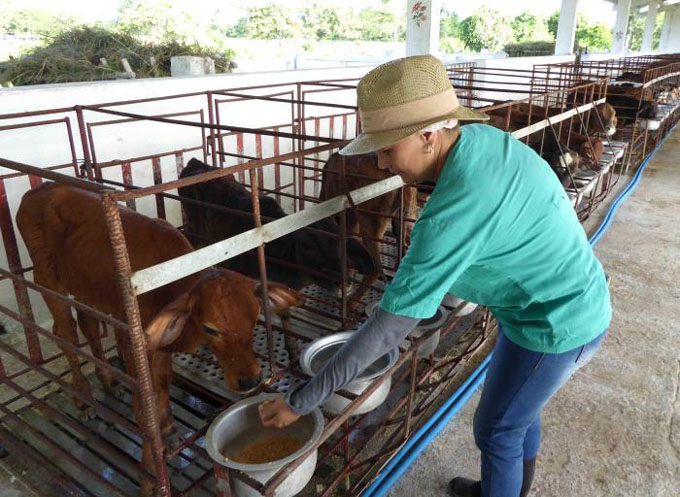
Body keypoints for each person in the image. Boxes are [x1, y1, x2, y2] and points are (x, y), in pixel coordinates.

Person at [258, 55, 611, 497]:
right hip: (547, 303)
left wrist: (300, 400)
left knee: (498, 428)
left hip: (558, 324)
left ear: (428, 135)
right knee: (518, 413)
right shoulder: (479, 139)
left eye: (387, 150)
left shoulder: (446, 218)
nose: (383, 164)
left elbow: (387, 332)